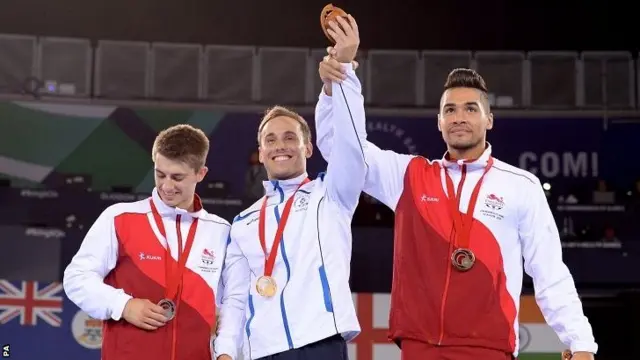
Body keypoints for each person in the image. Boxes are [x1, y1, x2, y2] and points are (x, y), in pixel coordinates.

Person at [315, 60, 598, 359]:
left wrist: (580, 342)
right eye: (450, 110)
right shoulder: (408, 176)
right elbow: (341, 151)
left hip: (489, 348)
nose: (459, 117)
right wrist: (338, 84)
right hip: (419, 347)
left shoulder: (521, 186)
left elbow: (549, 271)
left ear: (489, 119)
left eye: (470, 109)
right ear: (439, 121)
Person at [223, 15, 366, 360]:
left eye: (290, 137)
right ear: (261, 153)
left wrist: (342, 76)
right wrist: (225, 350)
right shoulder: (243, 222)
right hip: (262, 352)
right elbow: (236, 297)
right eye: (270, 139)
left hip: (321, 343)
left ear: (308, 148)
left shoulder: (332, 195)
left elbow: (351, 145)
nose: (280, 145)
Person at [63, 124, 249, 360]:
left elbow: (235, 300)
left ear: (201, 174)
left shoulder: (221, 231)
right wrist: (123, 305)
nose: (167, 186)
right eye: (160, 174)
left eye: (177, 177)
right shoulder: (120, 218)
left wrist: (226, 352)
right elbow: (76, 278)